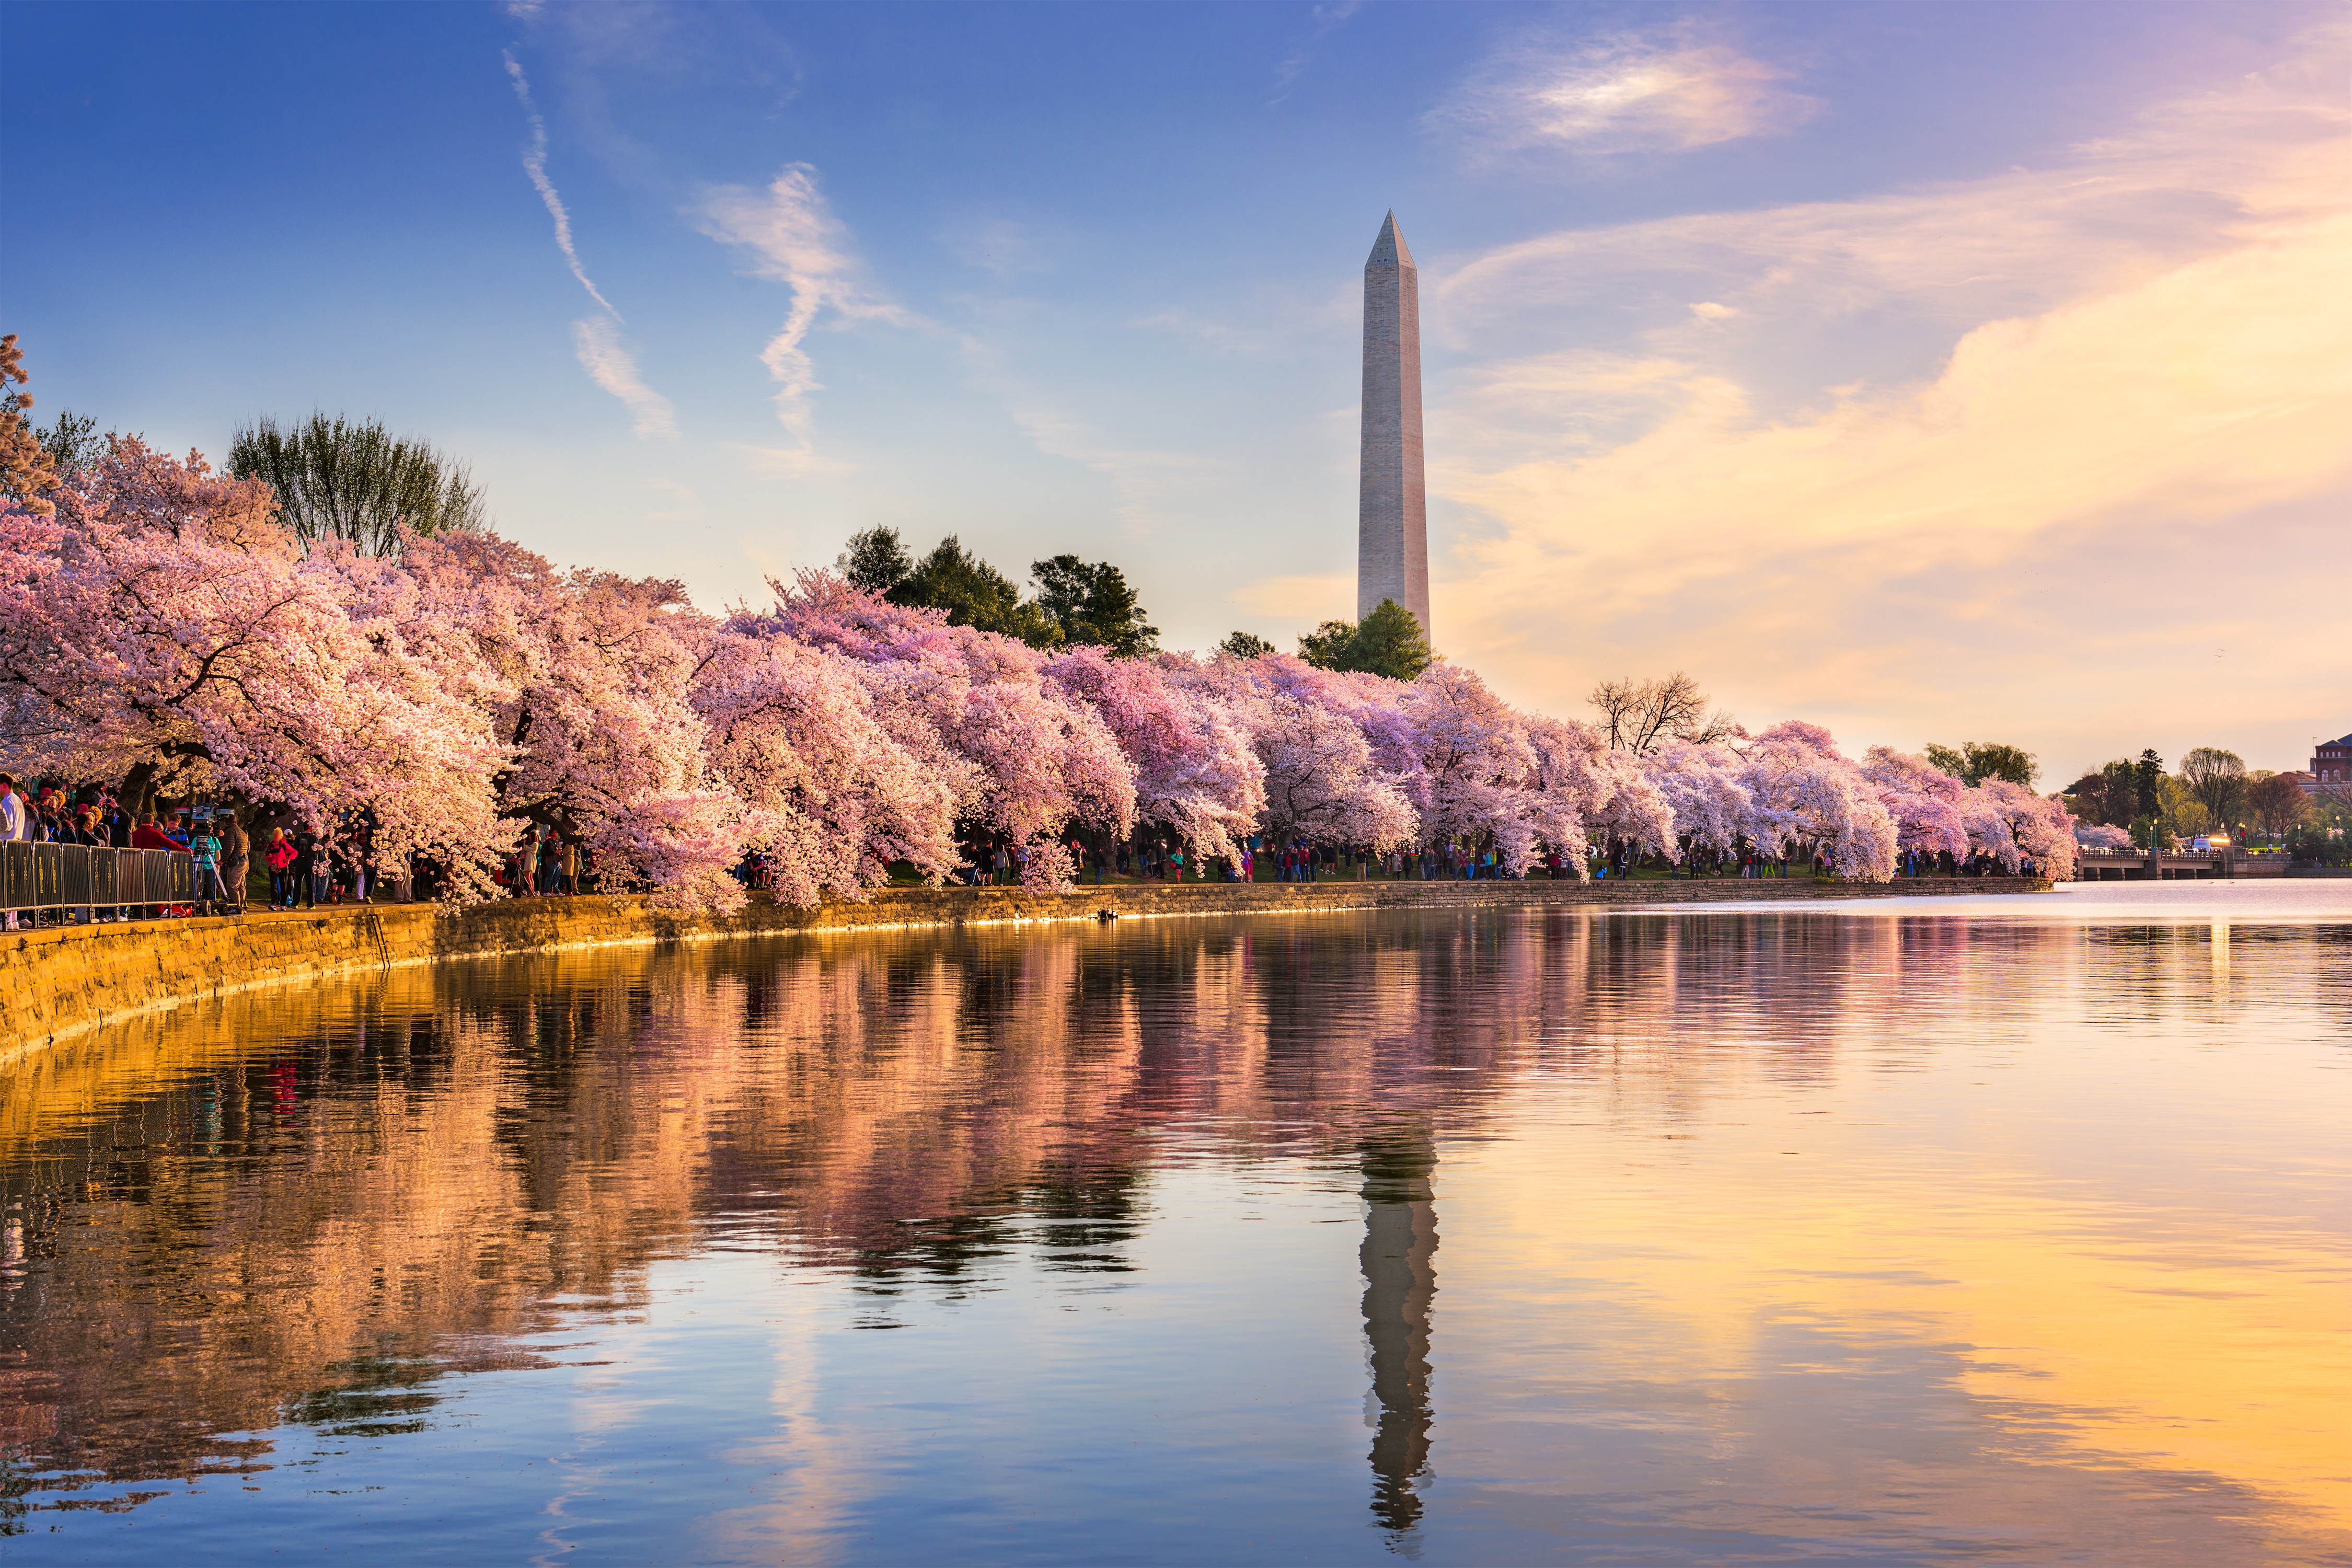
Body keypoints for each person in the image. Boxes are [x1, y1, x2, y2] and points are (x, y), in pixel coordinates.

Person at [266, 828, 296, 908]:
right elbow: (267, 858)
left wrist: (288, 859)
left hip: (283, 867)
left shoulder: (284, 845)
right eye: (275, 835)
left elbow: (295, 852)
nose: (276, 837)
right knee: (274, 886)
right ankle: (273, 903)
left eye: (278, 835)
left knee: (284, 885)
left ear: (281, 836)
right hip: (273, 868)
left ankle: (283, 904)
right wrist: (269, 856)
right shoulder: (270, 846)